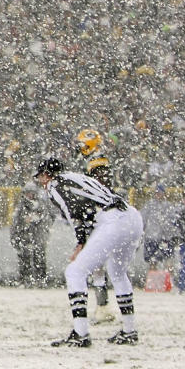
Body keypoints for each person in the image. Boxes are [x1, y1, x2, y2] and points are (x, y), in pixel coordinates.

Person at [34, 158, 143, 347]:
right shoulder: (77, 177)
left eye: (41, 177)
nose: (41, 182)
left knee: (74, 272)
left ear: (46, 174)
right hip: (131, 216)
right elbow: (91, 206)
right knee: (117, 273)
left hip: (112, 220)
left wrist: (81, 241)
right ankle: (129, 330)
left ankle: (81, 333)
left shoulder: (55, 184)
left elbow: (73, 211)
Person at [72, 128, 117, 322]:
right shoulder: (92, 160)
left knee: (97, 265)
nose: (80, 148)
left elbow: (99, 188)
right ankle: (102, 306)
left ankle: (102, 307)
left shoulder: (97, 161)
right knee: (97, 266)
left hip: (99, 215)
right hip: (96, 214)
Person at [9, 182, 51, 287]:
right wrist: (23, 224)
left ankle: (40, 279)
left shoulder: (40, 205)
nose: (29, 195)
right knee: (24, 259)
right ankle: (25, 279)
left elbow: (47, 219)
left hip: (38, 236)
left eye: (31, 193)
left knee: (39, 258)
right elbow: (16, 222)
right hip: (25, 236)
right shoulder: (21, 206)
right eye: (28, 193)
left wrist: (38, 220)